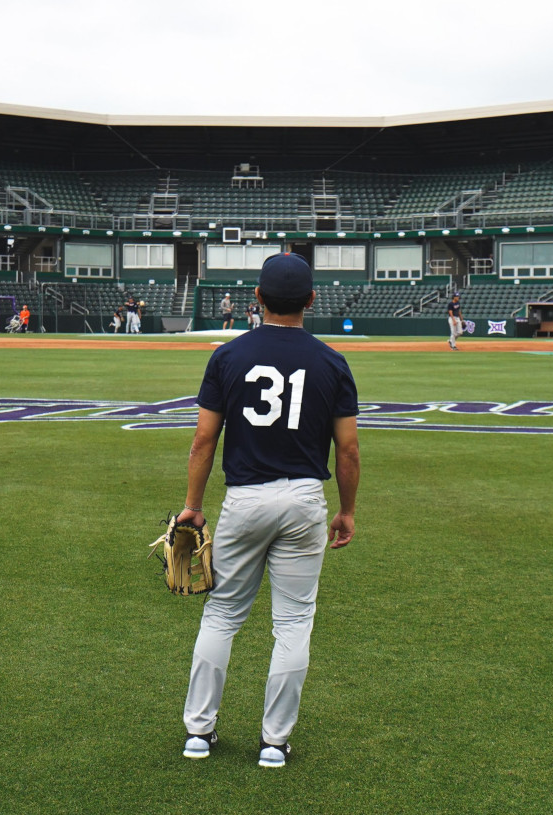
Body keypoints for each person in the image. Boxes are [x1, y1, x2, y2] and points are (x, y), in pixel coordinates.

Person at [175, 252, 359, 769]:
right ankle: (274, 743)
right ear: (311, 300)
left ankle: (198, 732)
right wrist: (346, 510)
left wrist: (193, 506)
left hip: (245, 498)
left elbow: (204, 438)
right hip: (304, 500)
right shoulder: (332, 361)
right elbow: (348, 449)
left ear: (256, 298)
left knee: (223, 612)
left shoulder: (228, 356)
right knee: (294, 622)